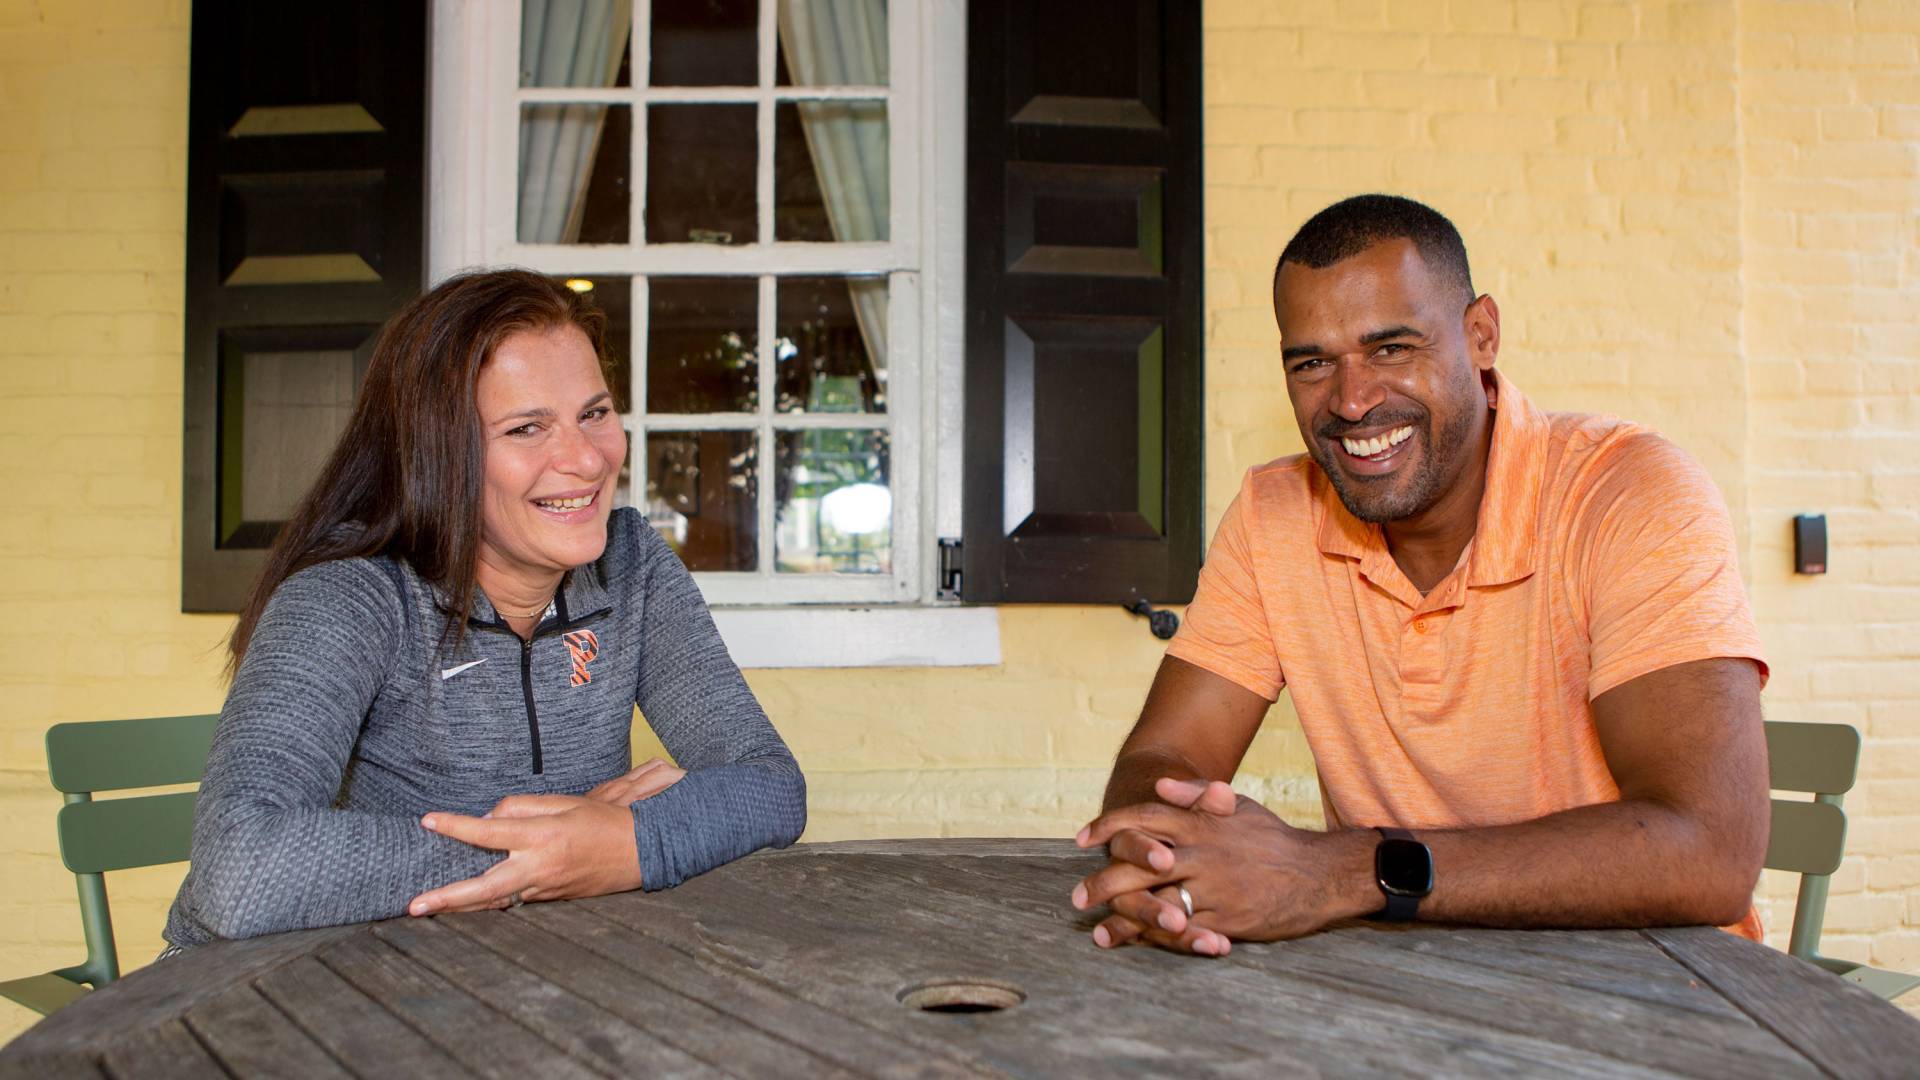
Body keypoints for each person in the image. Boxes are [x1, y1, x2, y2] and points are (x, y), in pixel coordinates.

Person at [1072, 194, 1769, 957]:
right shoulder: (1275, 514)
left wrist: (1339, 872)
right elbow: (1164, 759)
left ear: (1482, 335)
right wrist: (1163, 866)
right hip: (1404, 978)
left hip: (1655, 983)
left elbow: (1709, 851)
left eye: (1391, 348)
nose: (1352, 401)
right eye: (1312, 363)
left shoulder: (1629, 493)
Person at [164, 270, 806, 947]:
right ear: (438, 455)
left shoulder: (631, 565)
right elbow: (238, 870)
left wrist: (626, 841)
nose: (586, 460)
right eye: (527, 428)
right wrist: (563, 851)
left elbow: (771, 787)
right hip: (264, 988)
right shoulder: (351, 596)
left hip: (495, 970)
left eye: (594, 413)